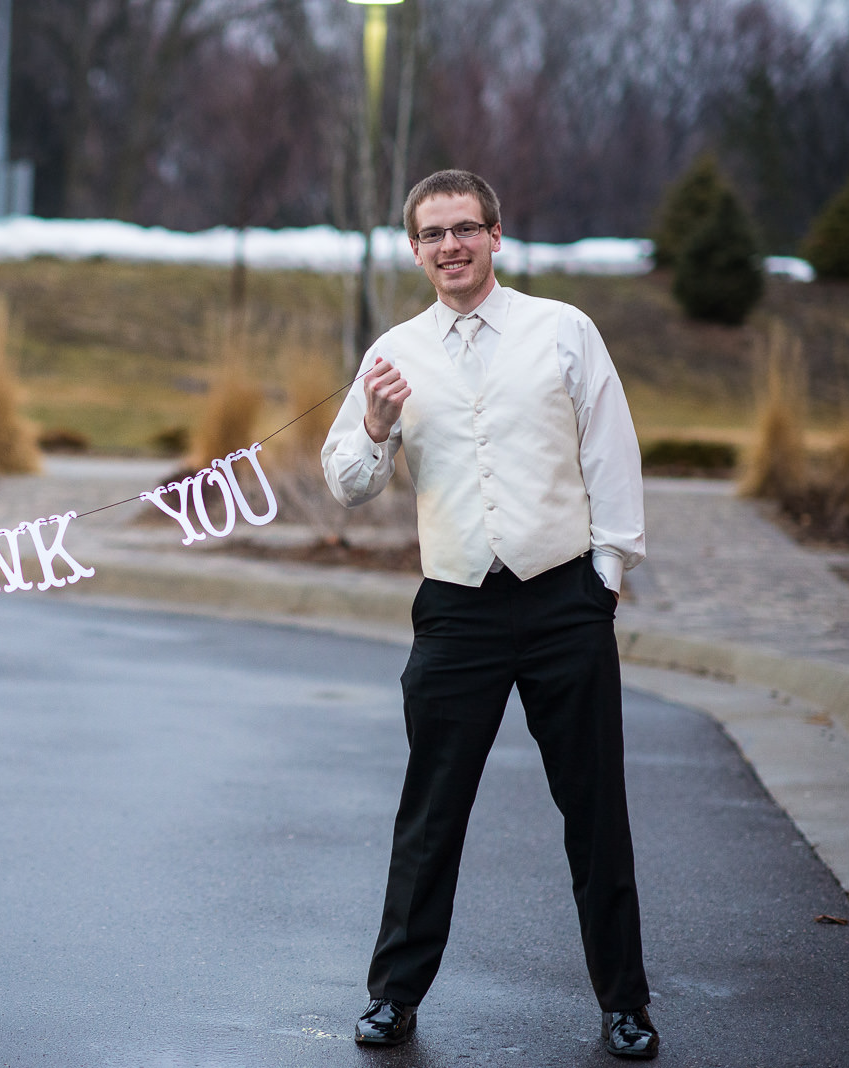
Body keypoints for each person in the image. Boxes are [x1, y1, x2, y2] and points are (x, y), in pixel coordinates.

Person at [321, 171, 658, 1060]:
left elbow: (611, 452)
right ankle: (394, 996)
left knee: (594, 811)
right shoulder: (392, 353)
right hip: (457, 611)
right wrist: (376, 423)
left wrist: (606, 578)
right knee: (430, 814)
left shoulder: (563, 331)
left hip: (562, 602)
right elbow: (348, 486)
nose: (451, 247)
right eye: (433, 235)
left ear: (496, 236)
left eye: (465, 229)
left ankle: (625, 1002)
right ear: (415, 250)